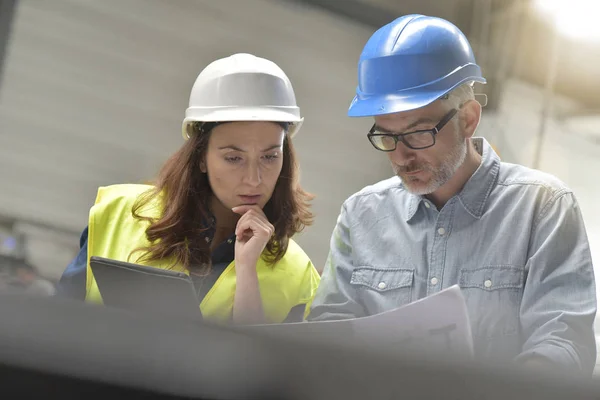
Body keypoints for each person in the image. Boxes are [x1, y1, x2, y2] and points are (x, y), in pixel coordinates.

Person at [308, 15, 596, 374]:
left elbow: (566, 343)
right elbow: (324, 342)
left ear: (469, 119)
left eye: (417, 134)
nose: (400, 157)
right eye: (386, 137)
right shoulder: (361, 215)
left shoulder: (542, 208)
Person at [58, 53, 320, 324]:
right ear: (200, 157)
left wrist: (247, 272)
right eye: (233, 158)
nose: (254, 179)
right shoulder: (118, 214)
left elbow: (267, 364)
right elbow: (57, 325)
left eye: (269, 157)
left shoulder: (298, 274)